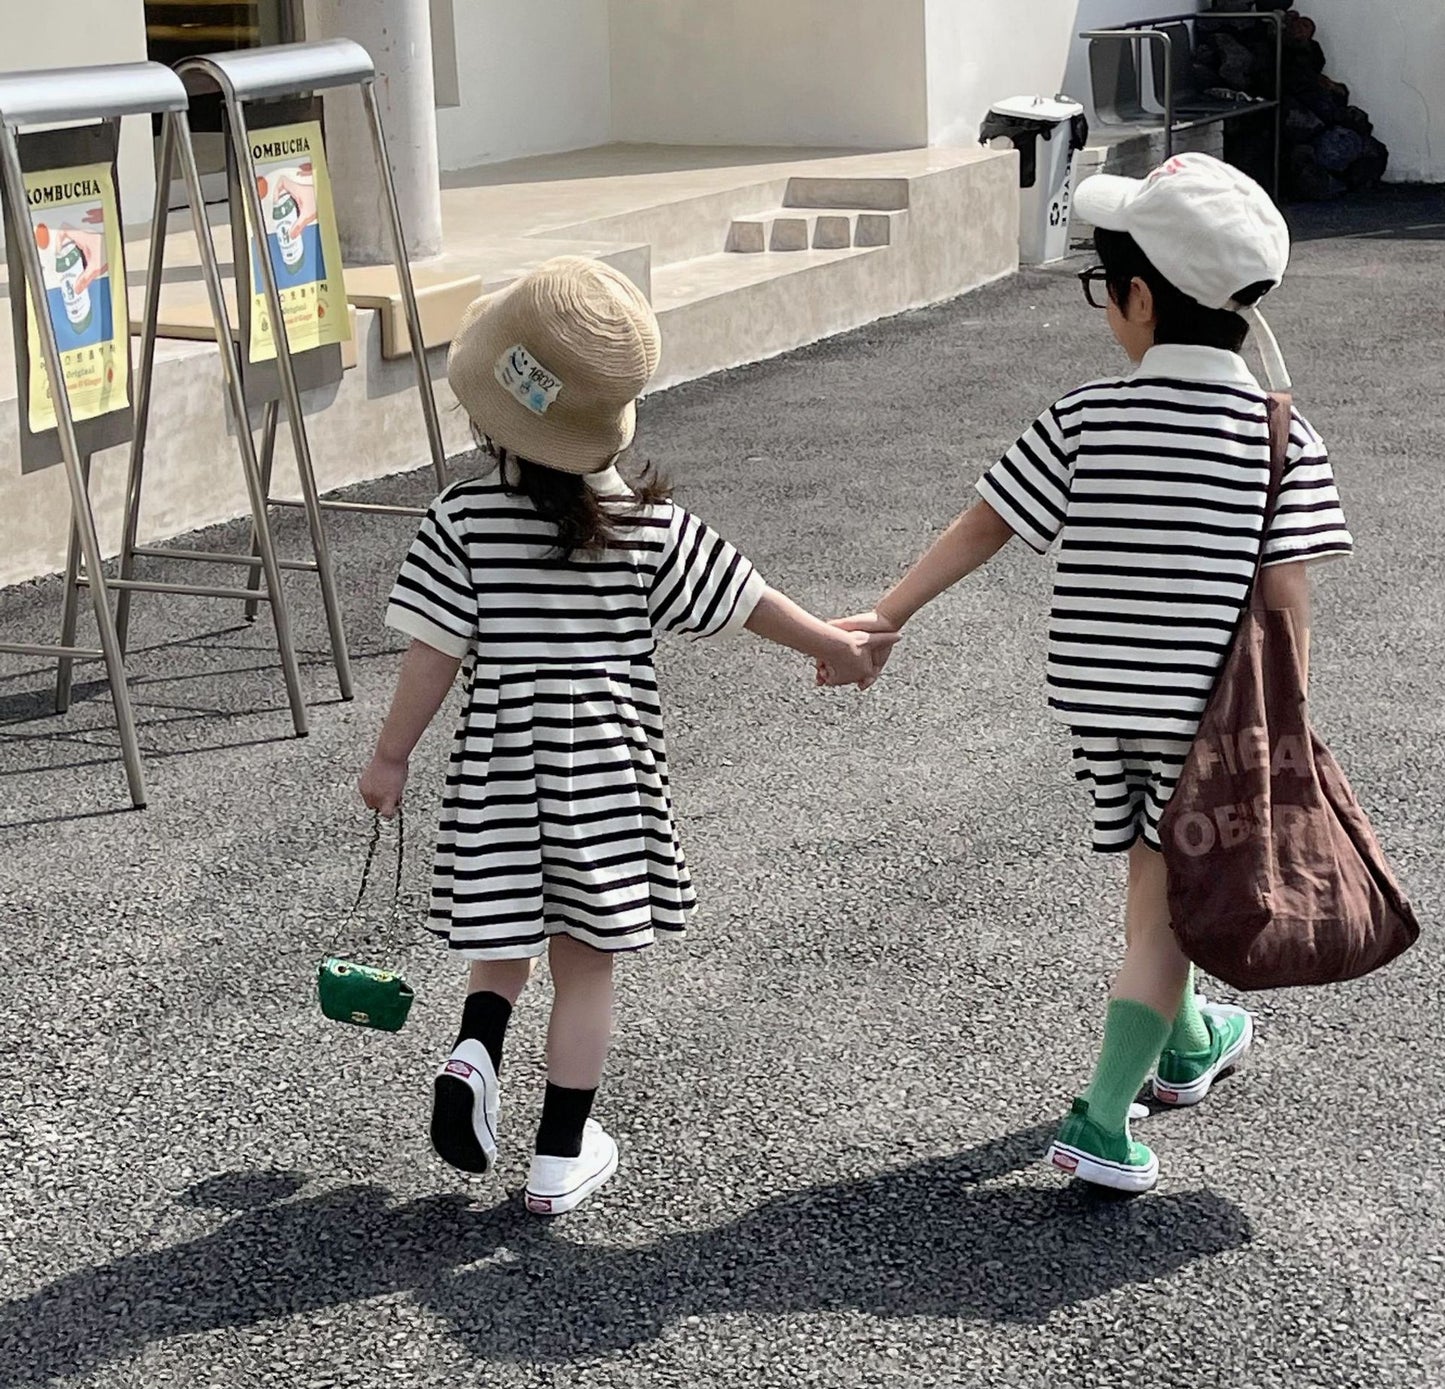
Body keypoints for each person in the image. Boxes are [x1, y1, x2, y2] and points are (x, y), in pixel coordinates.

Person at [831, 155, 1353, 1192]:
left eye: (1100, 289)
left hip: (1096, 705)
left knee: (1158, 872)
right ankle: (1101, 1119)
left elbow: (987, 521)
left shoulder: (1084, 414)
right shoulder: (1276, 437)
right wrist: (1284, 722)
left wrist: (888, 612)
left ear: (1140, 299)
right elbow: (1285, 596)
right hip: (1204, 716)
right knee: (1166, 897)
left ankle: (1190, 1037)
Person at [360, 257, 893, 1215]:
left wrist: (391, 754)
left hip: (498, 765)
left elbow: (432, 655)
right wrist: (835, 644)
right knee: (586, 963)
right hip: (605, 762)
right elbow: (745, 598)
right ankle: (560, 1154)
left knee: (505, 937)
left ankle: (475, 1050)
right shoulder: (645, 524)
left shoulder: (460, 518)